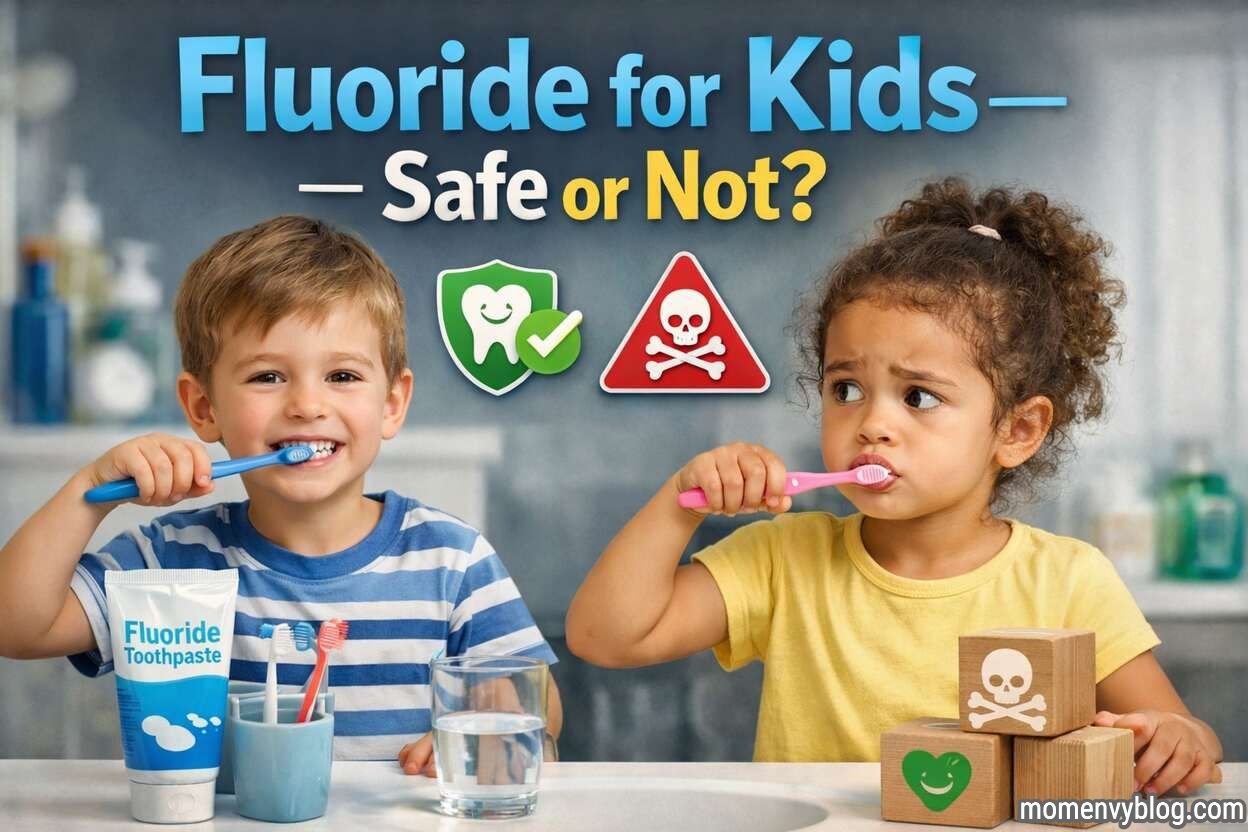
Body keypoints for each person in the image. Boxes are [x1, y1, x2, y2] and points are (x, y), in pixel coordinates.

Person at [567, 178, 1222, 796]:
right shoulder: (783, 561)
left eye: (918, 396)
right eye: (846, 389)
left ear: (1018, 430)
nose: (873, 423)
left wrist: (1173, 740)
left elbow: (1183, 740)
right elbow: (607, 636)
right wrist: (681, 502)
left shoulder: (1068, 584)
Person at [0, 215, 561, 771]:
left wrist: (484, 732)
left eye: (342, 376)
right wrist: (89, 490)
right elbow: (16, 626)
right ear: (203, 408)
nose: (307, 405)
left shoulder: (451, 558)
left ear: (392, 403)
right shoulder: (168, 563)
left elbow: (538, 704)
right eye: (268, 377)